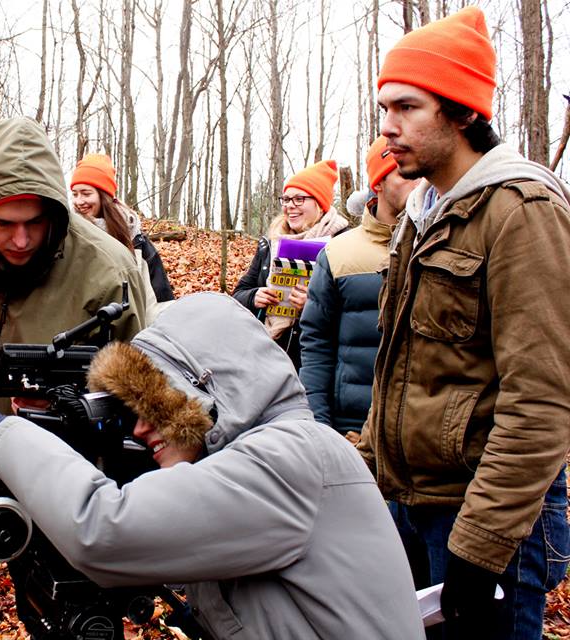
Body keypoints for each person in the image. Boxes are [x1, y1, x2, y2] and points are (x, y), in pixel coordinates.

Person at [0, 292, 426, 640]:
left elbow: (105, 528)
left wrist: (5, 435)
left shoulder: (291, 458)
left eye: (158, 406)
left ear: (208, 394)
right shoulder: (262, 455)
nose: (141, 429)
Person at [362, 7, 570, 639]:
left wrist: (480, 546)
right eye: (384, 110)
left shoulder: (521, 211)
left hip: (485, 521)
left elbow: (540, 401)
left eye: (406, 108)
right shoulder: (419, 215)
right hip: (411, 507)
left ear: (458, 110)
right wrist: (359, 475)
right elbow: (400, 374)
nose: (388, 128)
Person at [0, 118, 152, 415]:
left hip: (68, 457)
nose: (20, 241)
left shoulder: (110, 269)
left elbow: (140, 400)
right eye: (4, 223)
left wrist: (67, 406)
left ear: (53, 211)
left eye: (35, 222)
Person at [299, 136, 417, 443]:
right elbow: (316, 346)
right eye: (406, 175)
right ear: (378, 183)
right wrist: (320, 429)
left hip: (419, 435)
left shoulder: (441, 246)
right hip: (349, 427)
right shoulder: (338, 255)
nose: (419, 184)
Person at [232, 160, 350, 369]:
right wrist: (254, 296)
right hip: (268, 354)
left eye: (299, 199)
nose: (289, 206)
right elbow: (239, 293)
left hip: (319, 359)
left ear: (320, 204)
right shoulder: (271, 243)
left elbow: (354, 312)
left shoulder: (343, 243)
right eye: (286, 199)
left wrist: (313, 305)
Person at [70, 153, 175, 305]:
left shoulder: (135, 240)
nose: (79, 201)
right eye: (75, 194)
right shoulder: (69, 235)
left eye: (86, 194)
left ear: (104, 196)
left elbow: (161, 299)